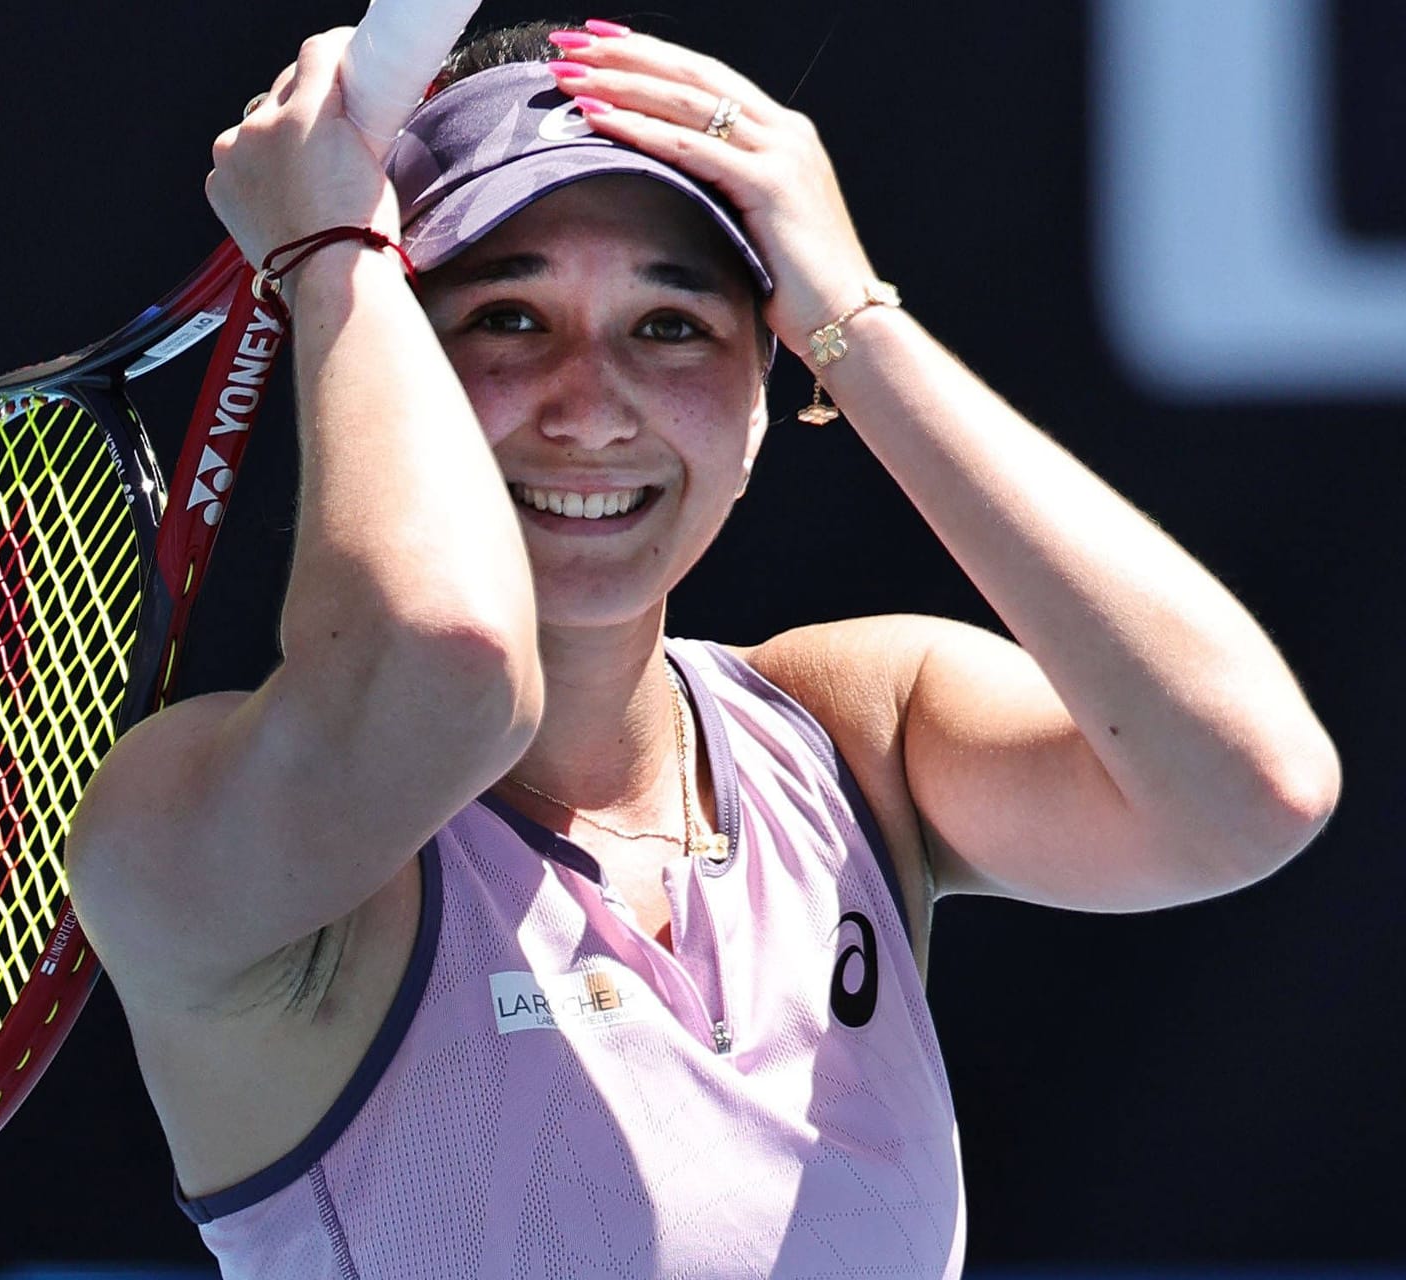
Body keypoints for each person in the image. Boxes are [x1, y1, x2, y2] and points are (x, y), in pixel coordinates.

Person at [66, 18, 1340, 1278]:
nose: (590, 405)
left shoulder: (857, 729)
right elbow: (446, 668)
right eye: (508, 317)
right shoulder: (183, 817)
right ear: (388, 363)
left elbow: (1247, 788)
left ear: (759, 399)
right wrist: (334, 254)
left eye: (672, 325)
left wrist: (852, 313)